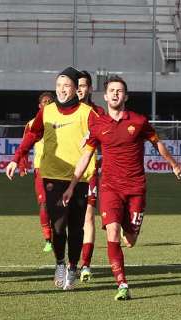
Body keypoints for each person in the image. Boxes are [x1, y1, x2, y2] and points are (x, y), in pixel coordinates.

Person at [62, 75, 181, 301]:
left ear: (125, 96)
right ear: (105, 96)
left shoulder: (139, 121)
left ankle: (132, 232)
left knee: (131, 238)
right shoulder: (98, 125)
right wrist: (72, 185)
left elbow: (157, 143)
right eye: (112, 91)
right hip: (109, 188)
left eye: (120, 91)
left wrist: (173, 164)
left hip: (136, 187)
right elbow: (86, 156)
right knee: (113, 232)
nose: (116, 94)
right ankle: (122, 284)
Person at [5, 67, 97, 291]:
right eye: (59, 86)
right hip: (53, 176)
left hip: (80, 178)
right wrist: (17, 158)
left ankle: (73, 267)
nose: (62, 90)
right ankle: (59, 263)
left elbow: (105, 136)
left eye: (67, 86)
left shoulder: (89, 113)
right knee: (58, 226)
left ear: (76, 89)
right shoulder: (47, 112)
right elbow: (32, 135)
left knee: (76, 228)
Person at [75, 70, 105, 282]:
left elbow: (108, 138)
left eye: (83, 85)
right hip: (64, 171)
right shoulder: (61, 111)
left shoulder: (98, 112)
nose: (79, 89)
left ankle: (85, 264)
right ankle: (67, 262)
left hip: (89, 172)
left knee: (87, 217)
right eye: (76, 85)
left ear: (90, 88)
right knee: (64, 220)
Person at [18, 92, 54, 253]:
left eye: (50, 101)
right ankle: (48, 238)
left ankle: (61, 234)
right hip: (41, 169)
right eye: (44, 101)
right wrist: (22, 163)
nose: (47, 103)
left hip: (61, 170)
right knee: (44, 204)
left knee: (61, 206)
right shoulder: (32, 124)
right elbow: (25, 144)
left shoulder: (60, 121)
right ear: (39, 106)